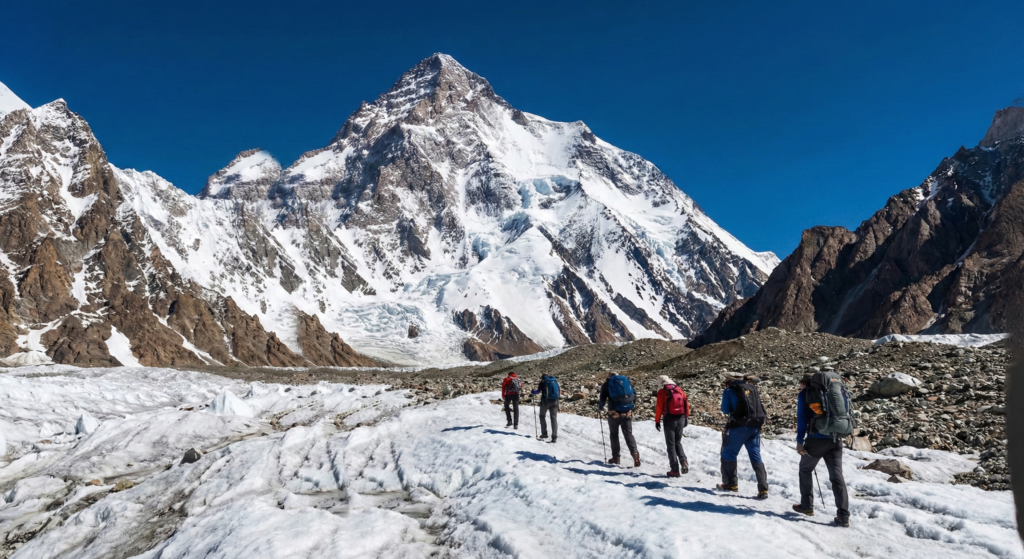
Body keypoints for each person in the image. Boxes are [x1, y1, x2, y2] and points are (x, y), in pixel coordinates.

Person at [792, 374, 851, 527]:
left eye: (801, 383)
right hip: (836, 439)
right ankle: (844, 515)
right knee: (837, 476)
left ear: (805, 383)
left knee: (805, 469)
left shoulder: (806, 394)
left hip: (816, 439)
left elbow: (802, 418)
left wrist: (799, 442)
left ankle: (807, 506)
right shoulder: (833, 392)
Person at [717, 375, 769, 499]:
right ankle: (763, 488)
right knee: (755, 454)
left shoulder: (729, 390)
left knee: (728, 453)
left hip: (738, 427)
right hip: (755, 426)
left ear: (729, 382)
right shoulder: (752, 388)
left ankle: (731, 483)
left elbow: (724, 409)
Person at [598, 371, 641, 467]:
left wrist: (600, 407)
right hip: (627, 413)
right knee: (628, 434)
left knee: (614, 435)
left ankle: (616, 458)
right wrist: (631, 408)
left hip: (613, 413)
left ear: (609, 376)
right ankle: (635, 455)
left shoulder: (607, 384)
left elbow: (602, 399)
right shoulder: (625, 382)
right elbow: (634, 395)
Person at [654, 375, 690, 477]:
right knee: (677, 442)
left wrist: (657, 421)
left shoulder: (662, 392)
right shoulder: (679, 389)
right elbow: (686, 404)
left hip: (669, 419)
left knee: (671, 445)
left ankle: (674, 469)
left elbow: (659, 408)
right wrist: (686, 417)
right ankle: (684, 462)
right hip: (681, 418)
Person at [531, 374, 560, 442]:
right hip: (555, 401)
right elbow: (559, 391)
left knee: (542, 416)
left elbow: (537, 391)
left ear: (542, 377)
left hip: (545, 402)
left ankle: (544, 433)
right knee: (553, 418)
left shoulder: (543, 382)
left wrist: (532, 392)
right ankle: (554, 437)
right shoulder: (555, 381)